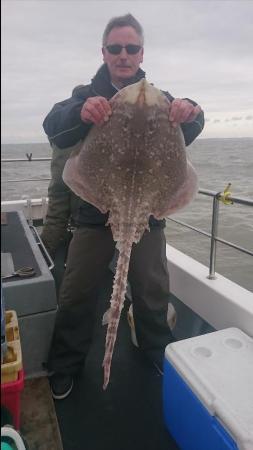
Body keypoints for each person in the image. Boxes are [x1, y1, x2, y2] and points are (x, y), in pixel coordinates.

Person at [42, 13, 205, 400]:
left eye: (131, 48)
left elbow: (191, 127)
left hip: (147, 215)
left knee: (151, 290)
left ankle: (156, 353)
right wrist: (80, 113)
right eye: (115, 48)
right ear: (104, 52)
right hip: (93, 212)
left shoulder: (161, 97)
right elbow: (54, 125)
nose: (123, 55)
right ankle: (65, 364)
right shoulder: (86, 94)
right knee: (77, 291)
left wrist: (191, 110)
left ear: (141, 52)